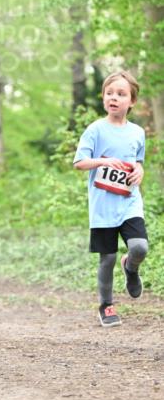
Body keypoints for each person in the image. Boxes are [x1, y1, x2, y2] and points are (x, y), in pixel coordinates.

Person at [73, 70, 148, 327]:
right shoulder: (95, 130)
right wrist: (102, 161)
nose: (114, 98)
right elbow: (79, 163)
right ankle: (106, 305)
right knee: (108, 258)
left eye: (121, 94)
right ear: (104, 98)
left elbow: (138, 162)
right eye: (109, 93)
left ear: (132, 101)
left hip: (129, 201)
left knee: (139, 247)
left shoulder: (138, 132)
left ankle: (132, 267)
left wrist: (139, 170)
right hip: (103, 206)